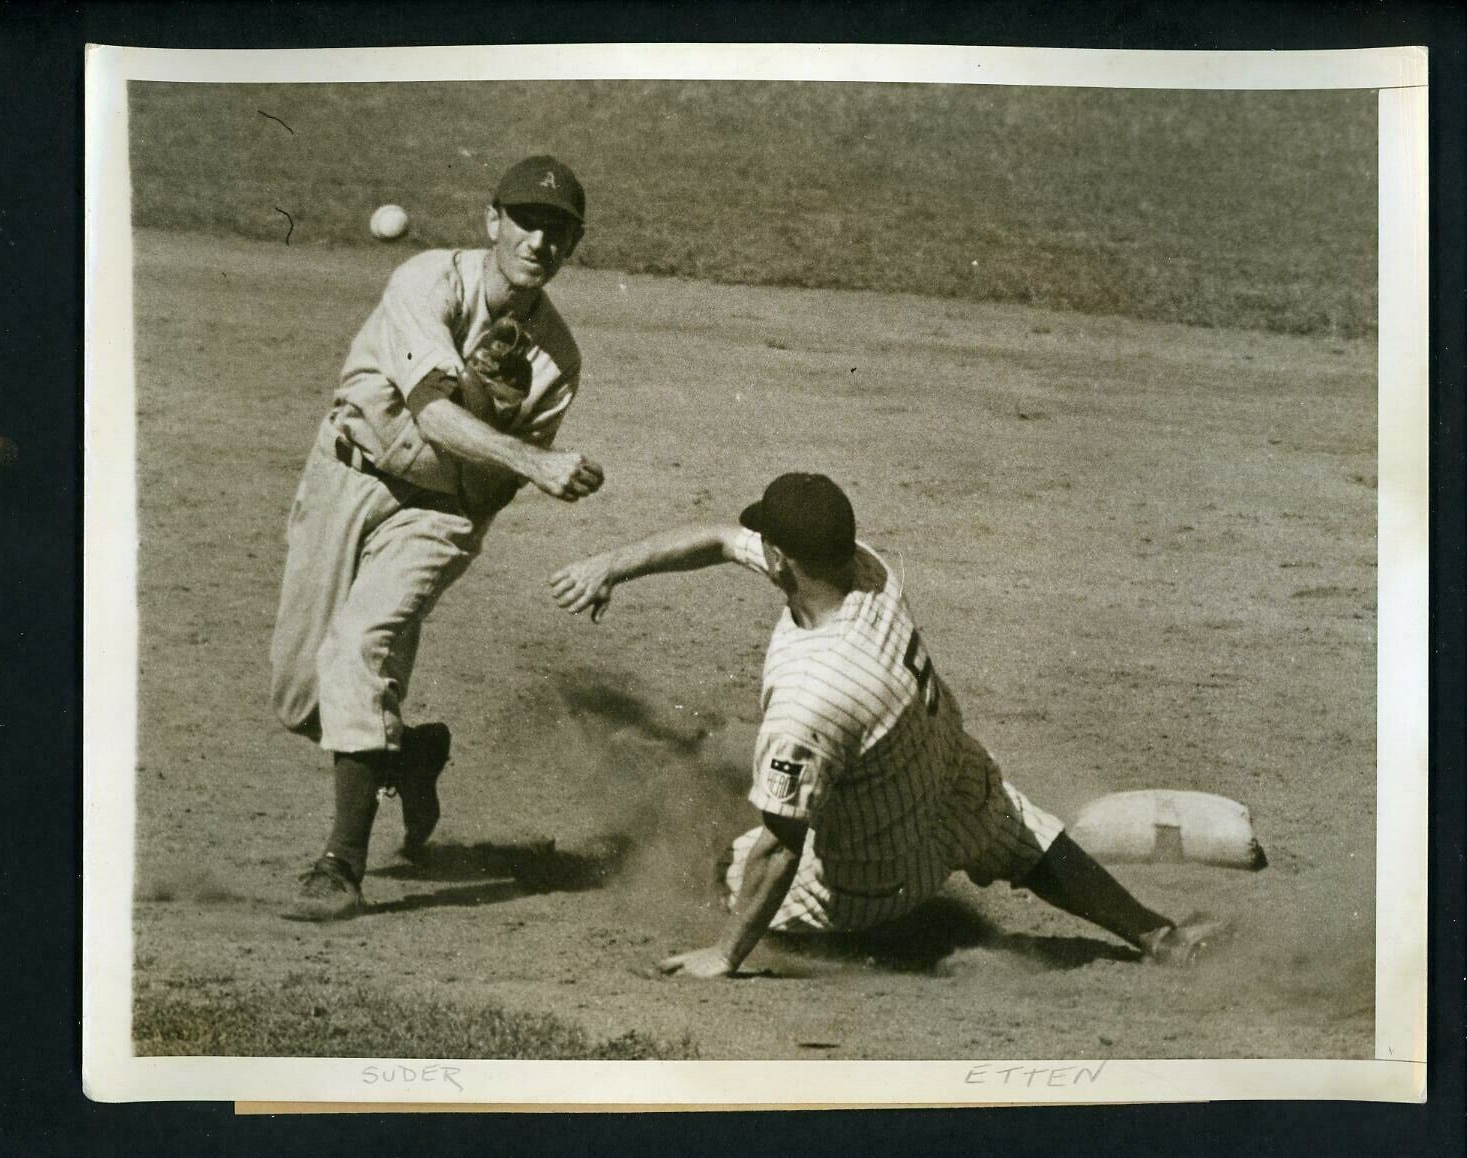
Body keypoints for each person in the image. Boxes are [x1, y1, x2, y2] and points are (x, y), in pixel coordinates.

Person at [550, 473, 1228, 976]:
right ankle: (1158, 934)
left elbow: (784, 845)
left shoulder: (810, 696)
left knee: (725, 868)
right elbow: (722, 540)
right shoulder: (866, 569)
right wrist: (610, 566)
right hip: (955, 785)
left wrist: (726, 955)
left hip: (878, 871)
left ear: (784, 561)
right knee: (1022, 836)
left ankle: (889, 941)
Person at [271, 155, 604, 921]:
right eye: (526, 221)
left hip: (441, 513)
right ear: (493, 221)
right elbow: (429, 411)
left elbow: (487, 488)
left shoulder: (559, 359)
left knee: (358, 646)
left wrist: (505, 437)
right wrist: (526, 452)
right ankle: (411, 754)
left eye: (559, 231)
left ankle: (339, 868)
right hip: (347, 476)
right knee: (301, 697)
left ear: (572, 247)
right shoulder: (426, 282)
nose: (539, 242)